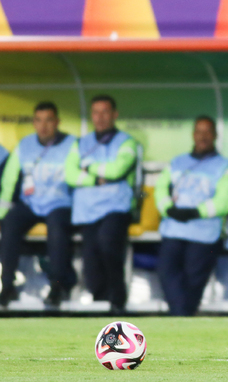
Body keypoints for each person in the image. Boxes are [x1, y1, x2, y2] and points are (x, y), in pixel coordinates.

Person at [65, 95, 141, 313]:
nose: (100, 117)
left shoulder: (126, 141)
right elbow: (70, 174)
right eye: (96, 112)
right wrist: (97, 177)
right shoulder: (80, 143)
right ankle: (100, 302)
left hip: (116, 206)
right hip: (87, 210)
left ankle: (118, 299)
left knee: (108, 243)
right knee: (91, 256)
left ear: (114, 114)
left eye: (105, 111)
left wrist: (87, 166)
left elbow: (118, 170)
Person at [155, 116, 228, 316]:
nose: (203, 136)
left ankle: (181, 317)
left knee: (193, 280)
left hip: (204, 233)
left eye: (208, 132)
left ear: (215, 135)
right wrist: (169, 209)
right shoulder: (177, 162)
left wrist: (194, 212)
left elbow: (225, 201)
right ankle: (180, 316)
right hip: (174, 229)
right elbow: (160, 190)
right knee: (166, 272)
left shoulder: (225, 165)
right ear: (193, 135)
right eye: (199, 131)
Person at [0, 102, 77, 308]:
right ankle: (7, 285)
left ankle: (58, 286)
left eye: (49, 120)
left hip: (60, 203)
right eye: (39, 120)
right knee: (10, 224)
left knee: (57, 230)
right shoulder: (24, 145)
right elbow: (8, 181)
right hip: (31, 204)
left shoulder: (72, 144)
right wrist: (2, 212)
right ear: (34, 122)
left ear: (57, 122)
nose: (43, 126)